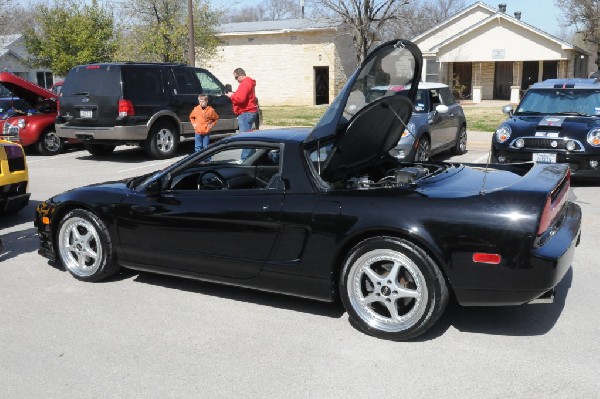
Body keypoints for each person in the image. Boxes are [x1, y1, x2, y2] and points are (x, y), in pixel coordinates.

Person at [225, 68, 258, 132]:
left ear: (241, 75)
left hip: (245, 112)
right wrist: (234, 94)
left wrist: (231, 96)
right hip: (250, 111)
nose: (236, 80)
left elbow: (240, 99)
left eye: (236, 77)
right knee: (248, 133)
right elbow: (244, 95)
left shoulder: (244, 84)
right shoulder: (249, 82)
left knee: (244, 136)